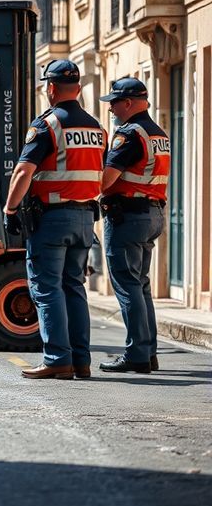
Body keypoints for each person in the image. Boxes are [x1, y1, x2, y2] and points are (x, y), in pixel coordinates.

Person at [3, 60, 106, 380]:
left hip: (52, 219)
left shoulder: (47, 125)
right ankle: (80, 360)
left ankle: (57, 358)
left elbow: (23, 172)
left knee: (47, 289)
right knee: (74, 286)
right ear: (78, 88)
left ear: (50, 88)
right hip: (85, 218)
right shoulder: (96, 128)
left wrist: (10, 210)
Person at [98, 78, 169, 374]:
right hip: (152, 214)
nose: (111, 109)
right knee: (141, 285)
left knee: (128, 286)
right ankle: (148, 352)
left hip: (127, 217)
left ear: (128, 103)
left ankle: (137, 354)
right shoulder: (158, 133)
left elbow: (106, 180)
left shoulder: (129, 134)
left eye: (114, 103)